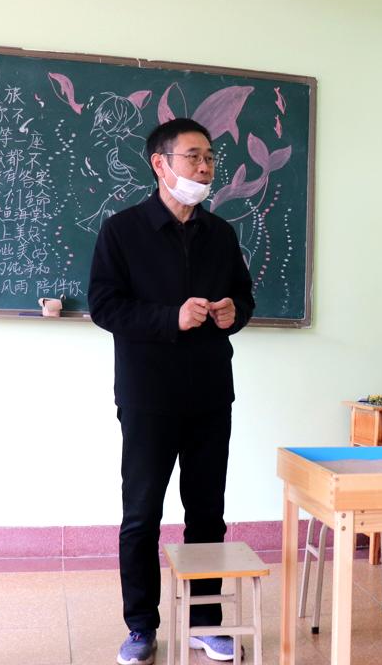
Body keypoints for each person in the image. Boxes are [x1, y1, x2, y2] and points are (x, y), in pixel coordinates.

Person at [89, 117, 256, 665]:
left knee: (207, 514)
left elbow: (244, 298)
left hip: (210, 394)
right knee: (142, 515)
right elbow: (104, 306)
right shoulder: (122, 230)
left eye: (210, 158)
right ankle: (141, 627)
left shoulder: (220, 233)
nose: (205, 168)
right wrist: (170, 318)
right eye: (193, 157)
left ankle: (206, 623)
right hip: (148, 396)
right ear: (160, 164)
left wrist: (233, 314)